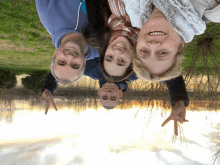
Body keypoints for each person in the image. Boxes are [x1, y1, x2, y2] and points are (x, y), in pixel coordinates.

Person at [41, 58, 189, 113]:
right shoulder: (135, 74)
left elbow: (61, 73)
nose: (109, 93)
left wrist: (48, 89)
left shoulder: (91, 71)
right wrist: (179, 101)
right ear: (120, 94)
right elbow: (171, 79)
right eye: (113, 97)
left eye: (105, 96)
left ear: (99, 92)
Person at [120, 0, 220, 81]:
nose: (153, 45)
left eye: (144, 51)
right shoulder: (214, 9)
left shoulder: (132, 6)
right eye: (163, 52)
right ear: (180, 46)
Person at [35, 0, 99, 83]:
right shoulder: (108, 45)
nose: (70, 57)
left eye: (62, 62)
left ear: (55, 54)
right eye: (75, 65)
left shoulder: (47, 14)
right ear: (84, 63)